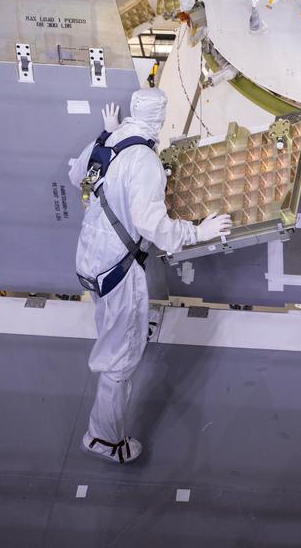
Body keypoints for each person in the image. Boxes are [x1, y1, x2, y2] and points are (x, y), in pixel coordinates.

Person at [68, 88, 231, 464]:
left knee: (112, 327)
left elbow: (79, 174)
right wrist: (196, 232)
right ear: (159, 119)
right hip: (118, 270)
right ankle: (104, 440)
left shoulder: (108, 142)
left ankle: (120, 337)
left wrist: (106, 133)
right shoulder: (144, 160)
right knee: (119, 362)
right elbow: (150, 223)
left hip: (91, 260)